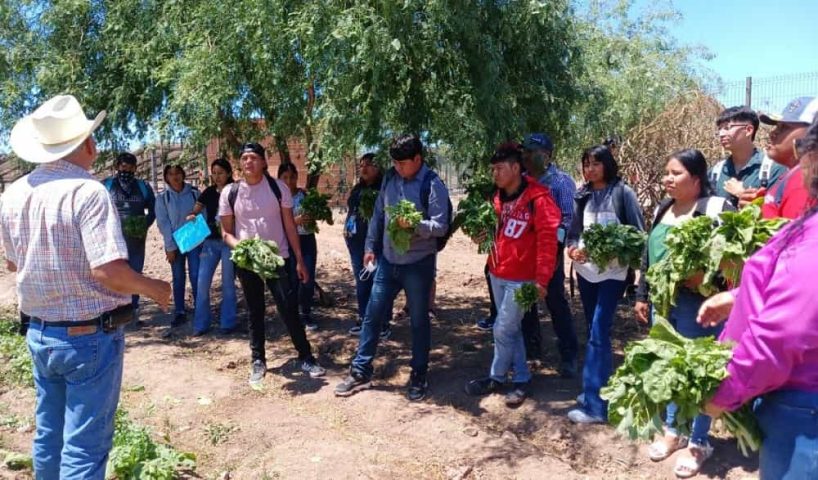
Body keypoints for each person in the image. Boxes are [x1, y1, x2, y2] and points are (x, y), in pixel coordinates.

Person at [0, 94, 171, 479]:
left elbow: (12, 262)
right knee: (84, 447)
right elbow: (108, 271)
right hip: (88, 337)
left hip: (40, 332)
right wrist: (154, 287)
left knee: (49, 435)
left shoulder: (12, 194)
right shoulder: (87, 192)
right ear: (88, 144)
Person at [699, 116, 818, 480]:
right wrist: (740, 296)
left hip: (803, 409)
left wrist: (727, 390)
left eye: (805, 150)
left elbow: (785, 332)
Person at [633, 149, 734, 478]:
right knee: (670, 369)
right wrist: (642, 294)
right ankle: (673, 431)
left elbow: (736, 261)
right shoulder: (664, 208)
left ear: (696, 178)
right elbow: (650, 254)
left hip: (698, 306)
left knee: (698, 373)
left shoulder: (715, 209)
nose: (667, 178)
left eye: (675, 173)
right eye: (666, 172)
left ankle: (699, 441)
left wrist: (707, 279)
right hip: (664, 305)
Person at [334, 134, 451, 401]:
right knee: (373, 316)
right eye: (394, 163)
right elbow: (378, 214)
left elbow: (440, 226)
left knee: (419, 322)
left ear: (417, 159)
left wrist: (414, 226)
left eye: (403, 163)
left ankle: (419, 374)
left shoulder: (433, 185)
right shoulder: (389, 178)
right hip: (388, 262)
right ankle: (361, 369)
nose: (398, 168)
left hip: (418, 265)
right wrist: (369, 247)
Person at [219, 142, 325, 385]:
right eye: (244, 157)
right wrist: (244, 249)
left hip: (279, 258)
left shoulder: (278, 189)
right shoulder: (230, 192)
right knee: (255, 310)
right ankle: (258, 360)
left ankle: (306, 356)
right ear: (240, 162)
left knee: (288, 307)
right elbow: (226, 233)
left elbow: (290, 225)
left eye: (254, 157)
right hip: (248, 261)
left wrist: (299, 260)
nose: (249, 162)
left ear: (264, 162)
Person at [464, 143, 559, 406]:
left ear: (516, 168)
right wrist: (480, 235)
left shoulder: (539, 198)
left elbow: (548, 241)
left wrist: (542, 279)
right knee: (512, 330)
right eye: (492, 169)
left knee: (502, 327)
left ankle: (496, 376)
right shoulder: (496, 198)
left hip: (523, 278)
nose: (495, 174)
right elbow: (493, 233)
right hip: (498, 271)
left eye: (500, 168)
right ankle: (522, 379)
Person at [565, 145, 645, 424]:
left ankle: (595, 406)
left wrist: (618, 251)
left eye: (596, 163)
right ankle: (599, 389)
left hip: (613, 275)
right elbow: (573, 234)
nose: (590, 169)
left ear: (607, 165)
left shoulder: (623, 193)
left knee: (599, 332)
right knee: (593, 331)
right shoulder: (582, 195)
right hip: (585, 273)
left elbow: (638, 237)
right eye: (586, 163)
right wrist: (573, 250)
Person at [521, 132, 579, 376]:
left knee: (555, 300)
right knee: (525, 303)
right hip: (523, 253)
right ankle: (532, 352)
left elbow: (568, 218)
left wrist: (554, 244)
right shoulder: (520, 181)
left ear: (547, 155)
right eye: (526, 151)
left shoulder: (561, 182)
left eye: (533, 151)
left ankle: (569, 354)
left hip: (549, 253)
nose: (528, 156)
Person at [101, 152, 156, 322]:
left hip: (136, 239)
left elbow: (153, 210)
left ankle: (133, 310)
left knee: (135, 272)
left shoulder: (143, 186)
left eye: (131, 167)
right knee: (115, 272)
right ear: (117, 167)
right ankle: (114, 310)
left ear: (135, 168)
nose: (127, 170)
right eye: (123, 166)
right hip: (112, 238)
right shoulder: (106, 185)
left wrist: (143, 224)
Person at [344, 153, 393, 339]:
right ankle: (364, 317)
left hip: (377, 245)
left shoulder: (384, 189)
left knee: (378, 282)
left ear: (378, 168)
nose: (363, 168)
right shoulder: (357, 189)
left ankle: (382, 322)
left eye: (369, 165)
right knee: (362, 281)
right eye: (361, 165)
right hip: (357, 244)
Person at [188, 158, 237, 336]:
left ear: (229, 173)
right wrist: (192, 216)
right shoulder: (208, 192)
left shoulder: (235, 190)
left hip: (229, 242)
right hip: (210, 242)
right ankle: (201, 324)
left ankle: (228, 322)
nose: (217, 177)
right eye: (214, 173)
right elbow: (196, 209)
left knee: (227, 283)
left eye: (221, 173)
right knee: (202, 282)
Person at [710, 106, 787, 207]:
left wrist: (743, 194)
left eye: (727, 128)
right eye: (719, 129)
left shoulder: (773, 169)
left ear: (748, 130)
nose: (721, 134)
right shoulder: (715, 172)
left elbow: (778, 212)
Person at [756, 96, 818, 219]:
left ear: (812, 132)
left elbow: (797, 236)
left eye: (784, 127)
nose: (772, 133)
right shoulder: (793, 173)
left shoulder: (803, 181)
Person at [155, 164, 201, 327]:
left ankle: (200, 309)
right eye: (170, 174)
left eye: (177, 173)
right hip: (175, 243)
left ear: (183, 175)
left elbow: (203, 214)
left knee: (196, 275)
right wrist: (170, 247)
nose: (175, 177)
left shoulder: (195, 194)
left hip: (194, 241)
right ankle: (180, 311)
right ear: (166, 177)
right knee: (178, 276)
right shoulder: (162, 198)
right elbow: (163, 223)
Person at [278, 162, 319, 331]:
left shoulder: (305, 195)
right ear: (279, 179)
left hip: (307, 239)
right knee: (291, 280)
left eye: (292, 177)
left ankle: (306, 312)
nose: (289, 181)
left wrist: (312, 215)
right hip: (287, 242)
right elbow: (275, 223)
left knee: (307, 278)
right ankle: (292, 315)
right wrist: (294, 222)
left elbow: (316, 212)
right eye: (285, 177)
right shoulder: (277, 199)